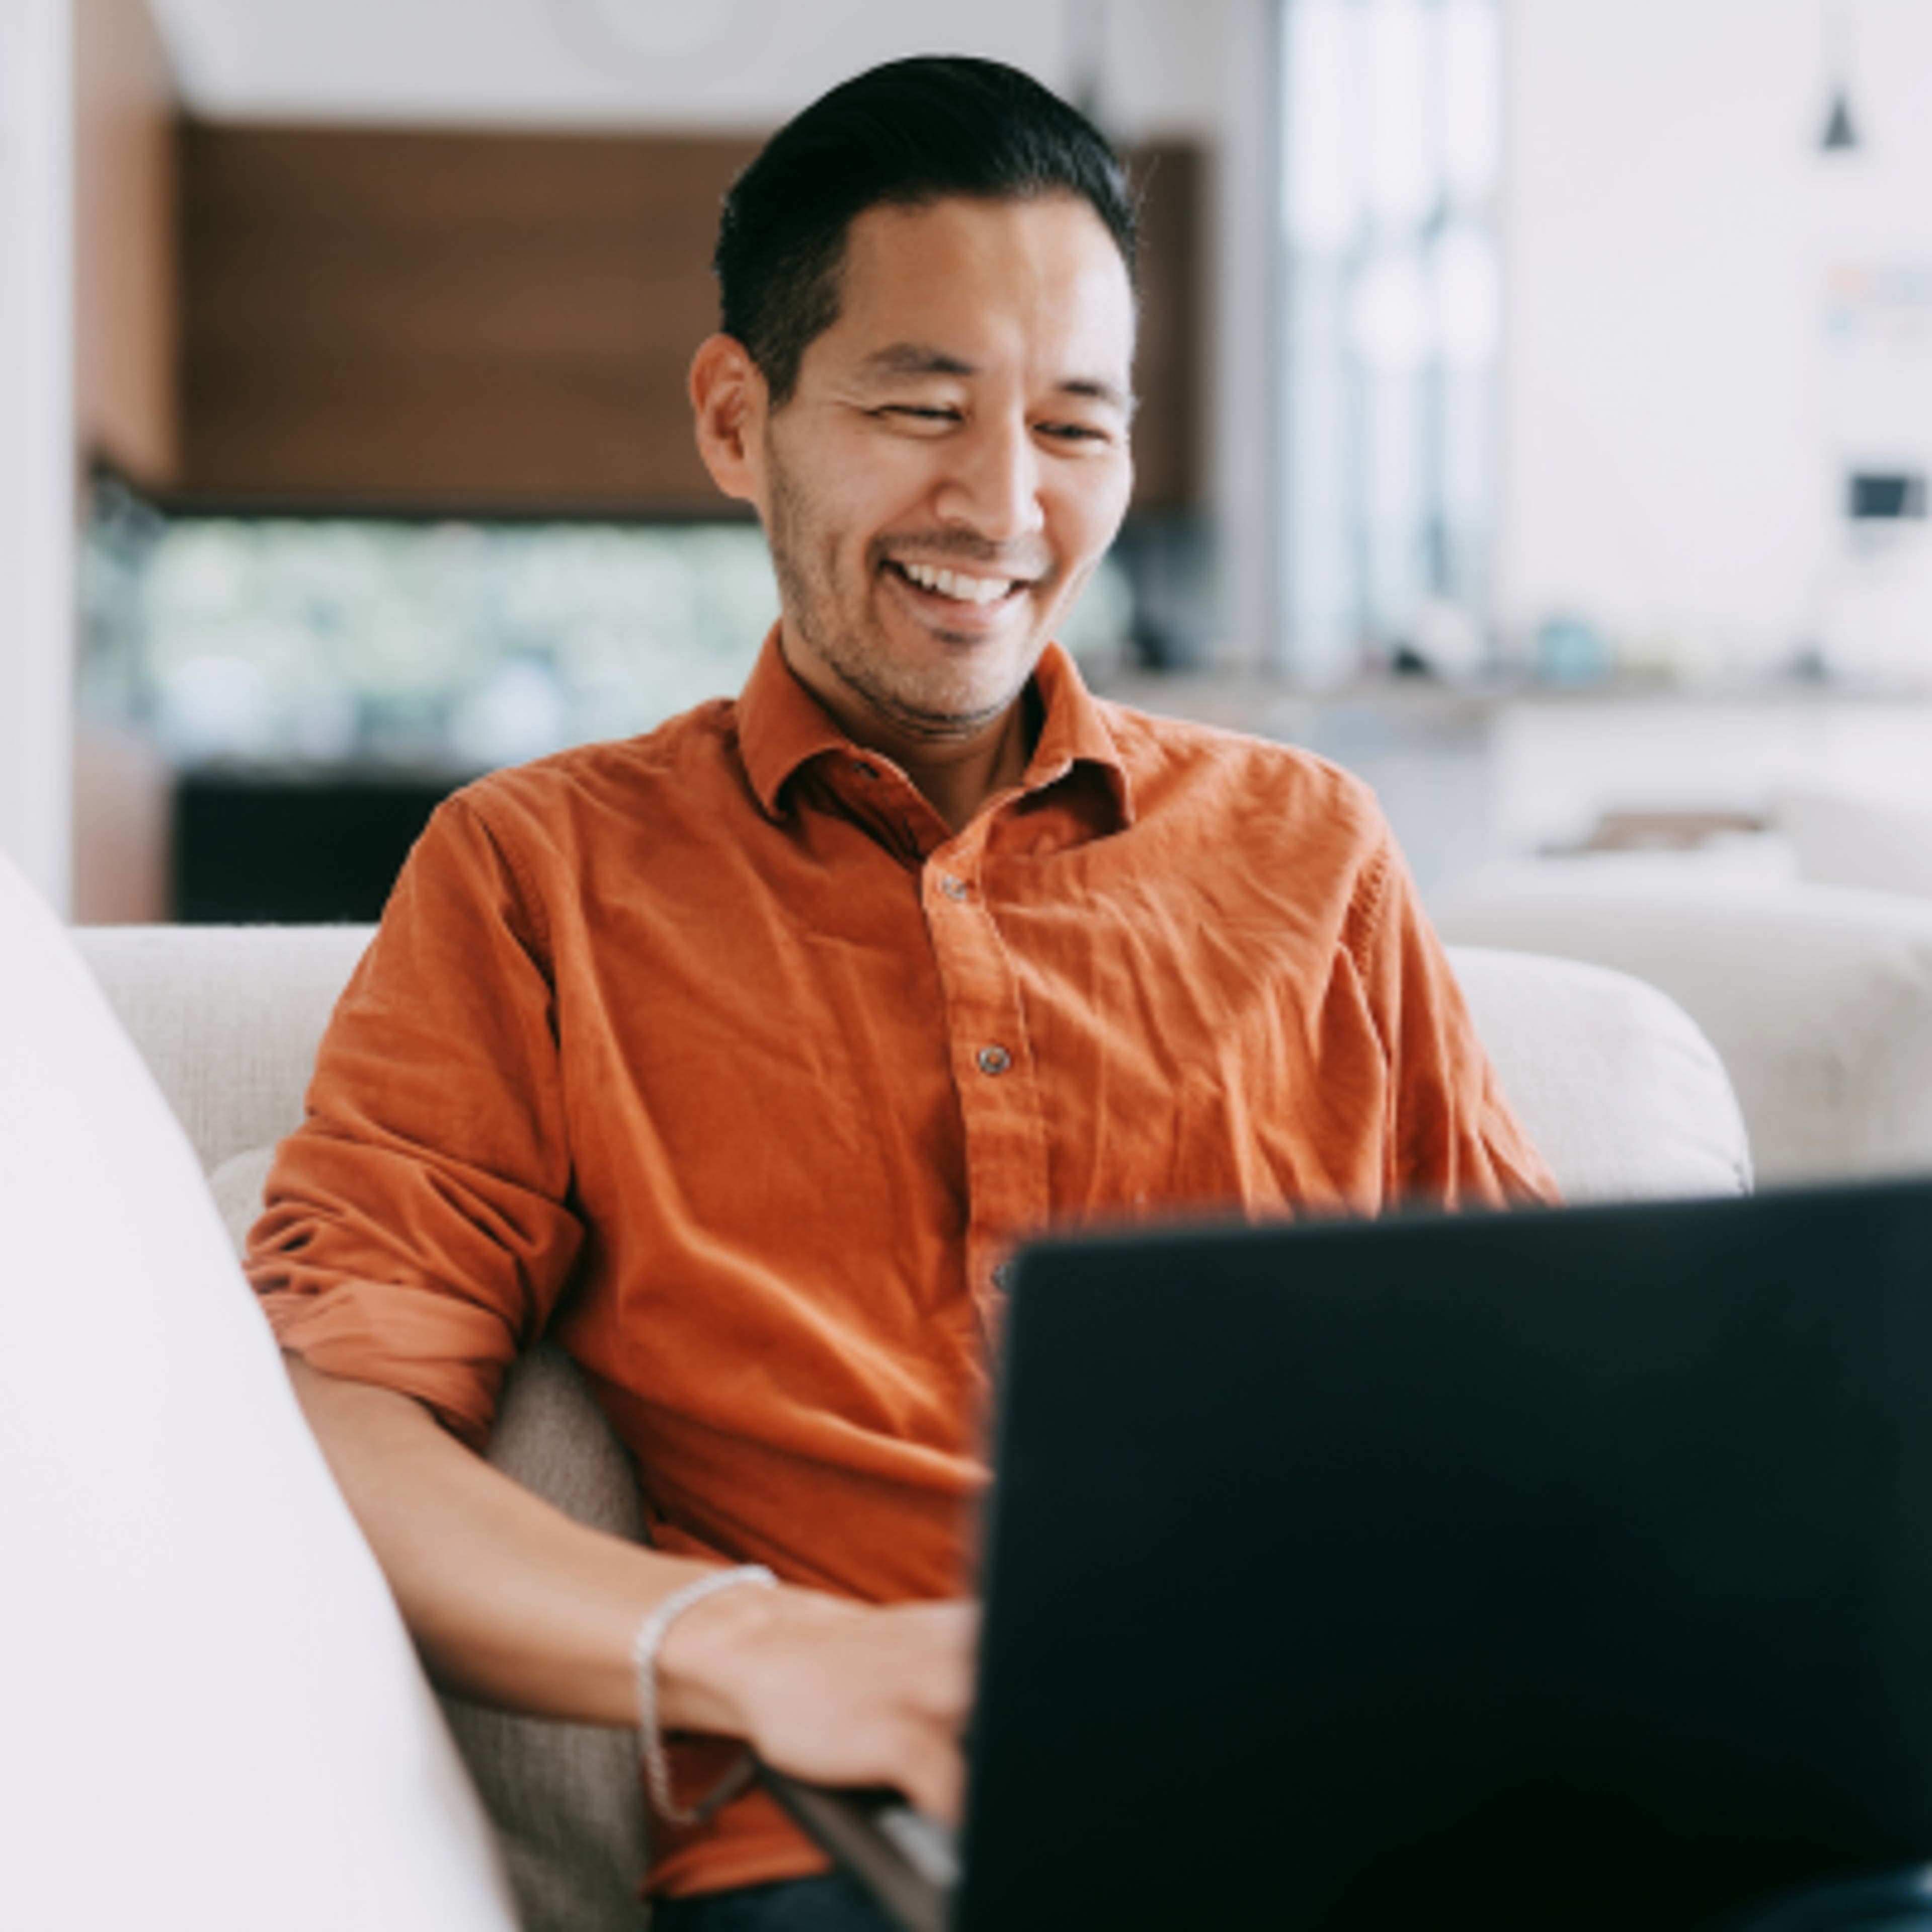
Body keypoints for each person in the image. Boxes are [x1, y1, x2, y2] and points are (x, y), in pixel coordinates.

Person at [249, 55, 1553, 1930]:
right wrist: (756, 1652)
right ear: (734, 417)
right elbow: (334, 1421)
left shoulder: (1315, 848)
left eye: (1077, 428)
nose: (1005, 504)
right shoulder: (537, 875)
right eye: (921, 405)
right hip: (880, 1847)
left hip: (1384, 1784)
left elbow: (1535, 1374)